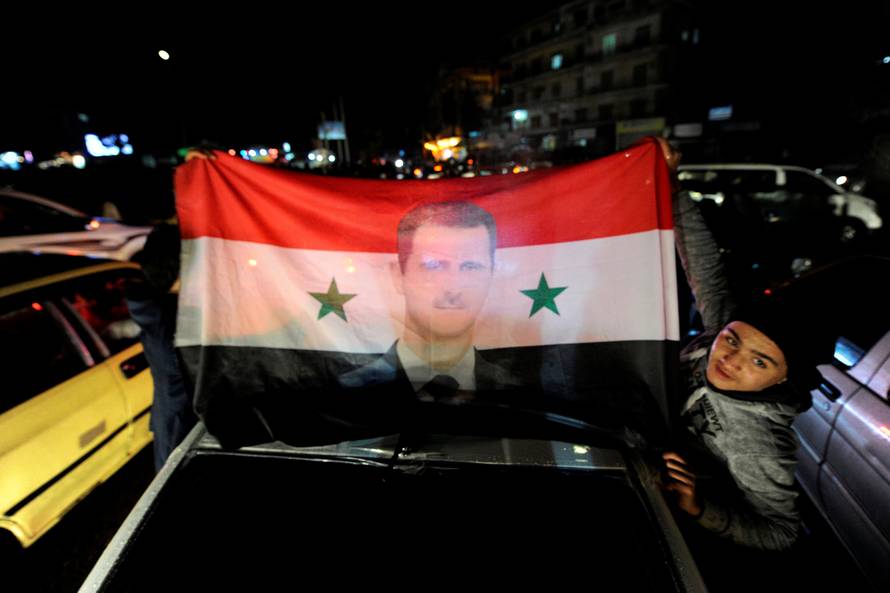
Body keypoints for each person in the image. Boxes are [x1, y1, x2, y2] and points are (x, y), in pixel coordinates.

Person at [656, 137, 835, 553]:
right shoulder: (726, 326)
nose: (731, 360)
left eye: (759, 361)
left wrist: (700, 508)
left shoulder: (759, 443)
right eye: (732, 340)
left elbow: (781, 531)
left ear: (783, 376)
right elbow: (703, 262)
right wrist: (672, 186)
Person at [338, 200, 519, 402]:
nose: (453, 287)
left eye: (471, 266)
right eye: (433, 266)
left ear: (492, 276)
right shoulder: (347, 395)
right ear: (398, 276)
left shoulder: (519, 395)